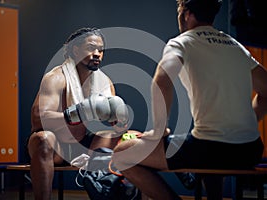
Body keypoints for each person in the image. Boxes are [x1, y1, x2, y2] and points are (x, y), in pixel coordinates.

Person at [112, 0, 267, 199]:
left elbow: (162, 78)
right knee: (207, 140)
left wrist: (159, 130)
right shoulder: (235, 46)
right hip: (249, 152)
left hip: (208, 150)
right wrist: (247, 123)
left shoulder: (182, 41)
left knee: (122, 154)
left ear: (186, 14)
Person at [27, 27, 128, 200]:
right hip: (57, 149)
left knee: (127, 140)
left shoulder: (105, 82)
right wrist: (79, 113)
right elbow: (38, 119)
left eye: (101, 50)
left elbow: (118, 125)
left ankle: (109, 194)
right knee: (43, 139)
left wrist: (119, 121)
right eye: (91, 48)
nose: (97, 53)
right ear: (75, 49)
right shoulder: (57, 77)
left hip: (85, 146)